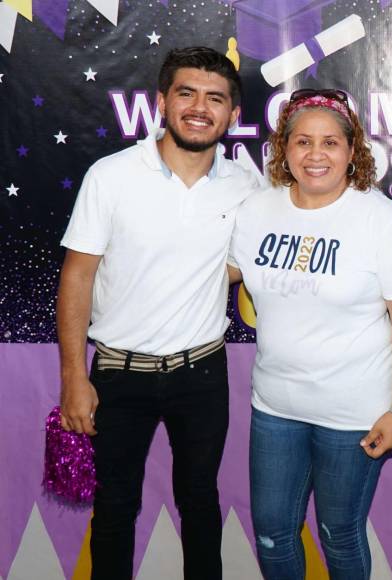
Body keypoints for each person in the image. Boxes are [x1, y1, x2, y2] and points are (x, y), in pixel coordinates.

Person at [56, 47, 256, 579]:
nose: (199, 107)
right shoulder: (112, 175)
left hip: (202, 372)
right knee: (115, 509)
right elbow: (77, 276)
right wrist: (74, 377)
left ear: (233, 115)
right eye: (186, 93)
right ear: (162, 102)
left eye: (215, 98)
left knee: (201, 504)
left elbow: (249, 260)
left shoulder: (247, 185)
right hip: (119, 373)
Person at [227, 88, 392, 580]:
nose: (316, 155)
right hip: (276, 408)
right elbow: (213, 275)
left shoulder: (380, 217)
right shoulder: (256, 211)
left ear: (351, 150)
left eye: (330, 142)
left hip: (354, 414)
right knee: (272, 535)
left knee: (339, 534)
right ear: (284, 149)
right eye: (303, 142)